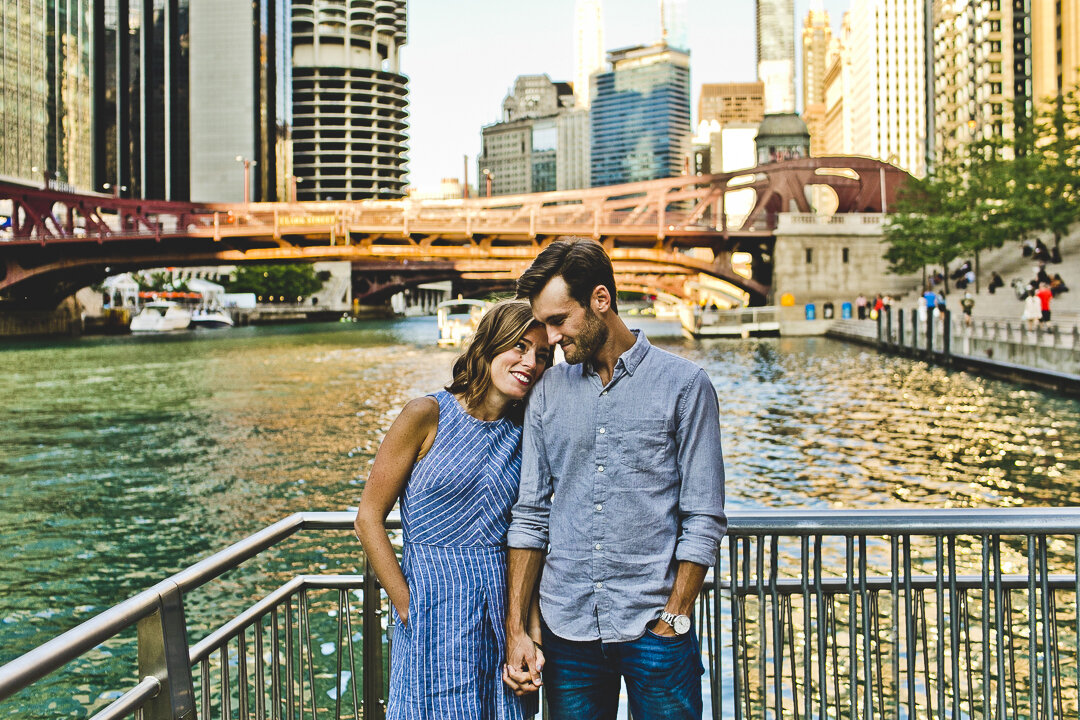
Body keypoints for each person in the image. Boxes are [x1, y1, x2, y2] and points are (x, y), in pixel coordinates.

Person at [503, 238, 727, 720]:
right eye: (544, 324)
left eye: (558, 321)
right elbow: (530, 515)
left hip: (655, 629)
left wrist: (675, 616)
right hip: (567, 632)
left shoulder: (685, 386)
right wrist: (518, 629)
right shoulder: (546, 393)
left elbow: (704, 517)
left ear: (600, 300)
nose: (551, 338)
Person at [354, 300, 552, 720]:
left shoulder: (526, 434)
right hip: (431, 607)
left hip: (500, 610)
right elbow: (369, 518)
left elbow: (530, 535)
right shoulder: (425, 415)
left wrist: (528, 629)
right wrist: (407, 606)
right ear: (490, 344)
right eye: (519, 346)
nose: (530, 362)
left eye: (542, 355)